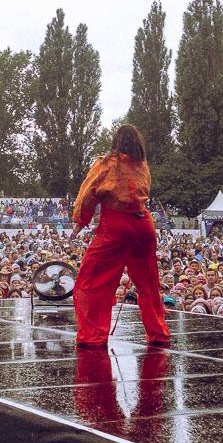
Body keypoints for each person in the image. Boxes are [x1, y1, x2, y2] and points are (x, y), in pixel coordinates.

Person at [70, 124, 171, 348]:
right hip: (144, 225)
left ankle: (93, 336)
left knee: (92, 281)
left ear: (115, 142)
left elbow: (89, 193)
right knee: (148, 284)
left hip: (116, 225)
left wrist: (80, 221)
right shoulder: (142, 165)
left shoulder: (106, 163)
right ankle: (158, 332)